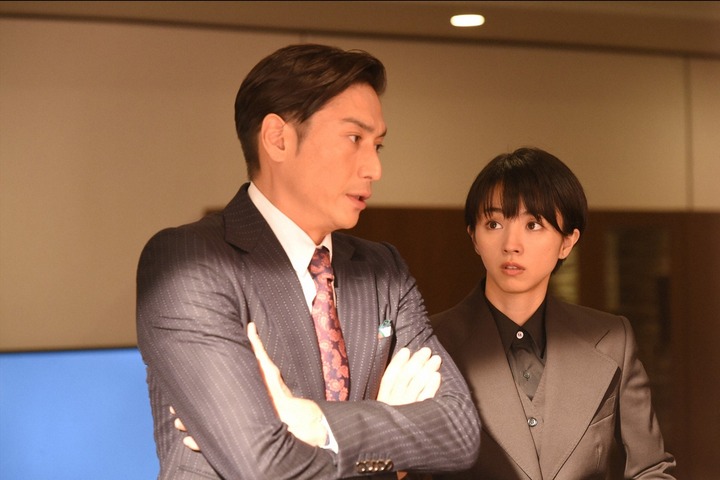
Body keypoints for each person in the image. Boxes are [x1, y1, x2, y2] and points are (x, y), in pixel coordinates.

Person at [136, 43, 480, 479]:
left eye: (378, 145)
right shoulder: (188, 263)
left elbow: (459, 433)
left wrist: (314, 422)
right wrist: (385, 442)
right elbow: (263, 466)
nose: (374, 168)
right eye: (354, 139)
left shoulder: (383, 270)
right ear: (278, 139)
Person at [431, 147, 676, 479]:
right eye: (494, 223)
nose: (511, 244)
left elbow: (651, 468)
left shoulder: (612, 339)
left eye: (533, 224)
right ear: (474, 236)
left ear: (567, 242)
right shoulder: (431, 344)